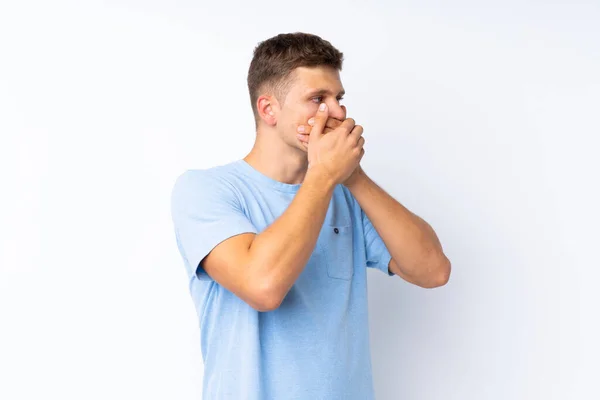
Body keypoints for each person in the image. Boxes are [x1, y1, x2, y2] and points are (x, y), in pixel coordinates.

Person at [170, 32, 451, 400]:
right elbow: (263, 286)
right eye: (318, 99)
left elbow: (433, 270)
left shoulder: (343, 193)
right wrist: (324, 176)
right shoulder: (206, 191)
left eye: (338, 98)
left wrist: (353, 177)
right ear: (268, 110)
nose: (336, 112)